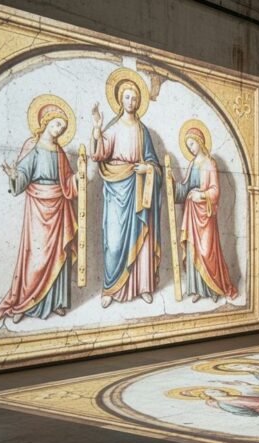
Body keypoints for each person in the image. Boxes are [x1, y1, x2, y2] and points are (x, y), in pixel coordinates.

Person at [0, 97, 78, 324]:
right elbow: (22, 179)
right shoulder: (32, 147)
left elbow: (68, 181)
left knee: (58, 254)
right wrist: (14, 175)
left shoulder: (60, 152)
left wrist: (78, 177)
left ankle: (57, 302)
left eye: (62, 128)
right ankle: (24, 303)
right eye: (57, 124)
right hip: (38, 209)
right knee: (35, 257)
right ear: (46, 122)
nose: (59, 130)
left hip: (59, 207)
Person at [91, 71, 162, 307]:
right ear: (121, 100)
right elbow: (99, 154)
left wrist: (148, 168)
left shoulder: (143, 131)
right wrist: (97, 129)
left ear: (138, 102)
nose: (131, 102)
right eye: (127, 97)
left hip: (139, 189)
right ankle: (110, 289)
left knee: (142, 239)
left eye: (134, 98)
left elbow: (154, 163)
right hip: (116, 190)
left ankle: (143, 287)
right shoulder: (112, 129)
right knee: (114, 243)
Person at [171, 123, 238, 303]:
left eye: (192, 144)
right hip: (191, 214)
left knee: (208, 251)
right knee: (193, 250)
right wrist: (173, 184)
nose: (190, 148)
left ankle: (214, 288)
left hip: (205, 215)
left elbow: (215, 191)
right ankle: (198, 290)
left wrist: (200, 195)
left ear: (200, 141)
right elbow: (185, 188)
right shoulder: (192, 164)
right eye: (188, 146)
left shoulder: (210, 164)